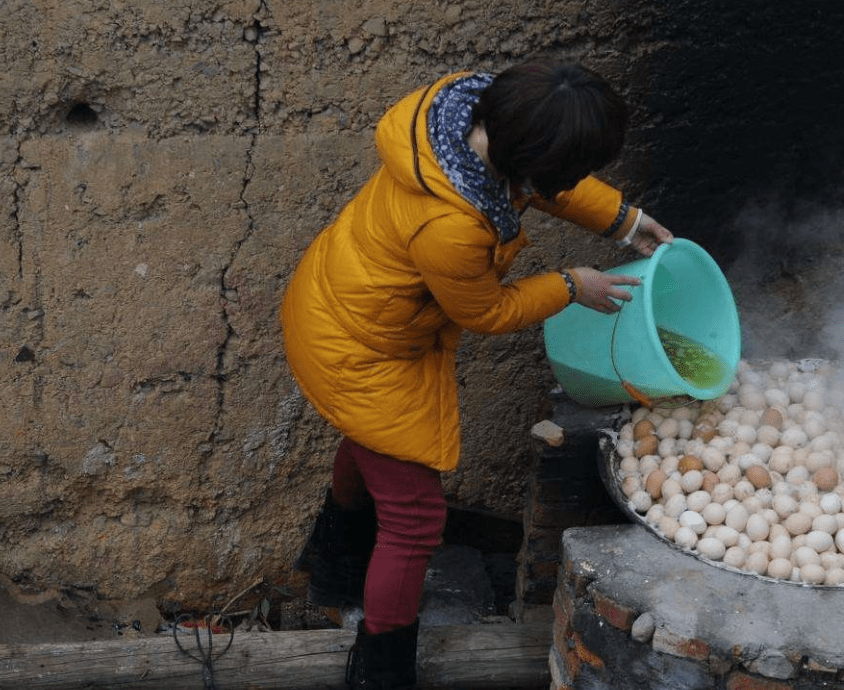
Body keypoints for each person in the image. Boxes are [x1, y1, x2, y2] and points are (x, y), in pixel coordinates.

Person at [280, 58, 673, 689]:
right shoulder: (452, 227)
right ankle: (380, 669)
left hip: (342, 304)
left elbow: (545, 180)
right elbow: (487, 311)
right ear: (532, 161)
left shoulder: (475, 111)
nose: (572, 180)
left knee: (372, 443)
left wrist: (625, 221)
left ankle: (334, 564)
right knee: (414, 519)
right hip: (359, 348)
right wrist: (570, 285)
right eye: (570, 170)